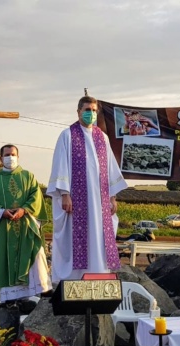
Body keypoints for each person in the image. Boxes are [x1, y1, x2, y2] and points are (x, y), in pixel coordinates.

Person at [48, 95, 128, 282]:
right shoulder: (67, 135)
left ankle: (99, 275)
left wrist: (112, 197)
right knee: (75, 238)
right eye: (86, 110)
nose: (90, 113)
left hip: (100, 201)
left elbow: (110, 168)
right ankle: (73, 279)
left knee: (99, 236)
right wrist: (65, 194)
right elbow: (60, 166)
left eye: (93, 110)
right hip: (76, 201)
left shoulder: (103, 138)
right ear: (78, 112)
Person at [0, 144, 51, 302]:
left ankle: (42, 291)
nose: (10, 157)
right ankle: (10, 298)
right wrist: (1, 211)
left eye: (13, 154)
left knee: (35, 254)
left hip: (26, 226)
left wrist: (24, 210)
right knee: (5, 258)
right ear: (0, 158)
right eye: (7, 154)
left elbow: (35, 197)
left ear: (18, 156)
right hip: (3, 228)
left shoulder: (28, 176)